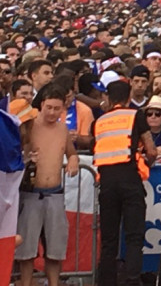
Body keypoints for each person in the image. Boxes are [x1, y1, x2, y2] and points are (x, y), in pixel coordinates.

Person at [94, 80, 157, 286]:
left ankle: (106, 282)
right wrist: (149, 162)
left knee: (109, 240)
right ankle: (131, 281)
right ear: (129, 98)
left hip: (107, 183)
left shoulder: (100, 121)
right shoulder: (135, 115)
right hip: (130, 179)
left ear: (108, 99)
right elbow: (151, 149)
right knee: (134, 236)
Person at [16, 86, 79, 286]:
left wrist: (74, 160)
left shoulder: (62, 129)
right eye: (49, 107)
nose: (52, 112)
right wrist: (27, 157)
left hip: (55, 194)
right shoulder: (29, 126)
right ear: (42, 104)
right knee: (26, 251)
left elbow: (71, 152)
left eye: (57, 109)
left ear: (63, 109)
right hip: (31, 193)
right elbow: (14, 154)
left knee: (55, 249)